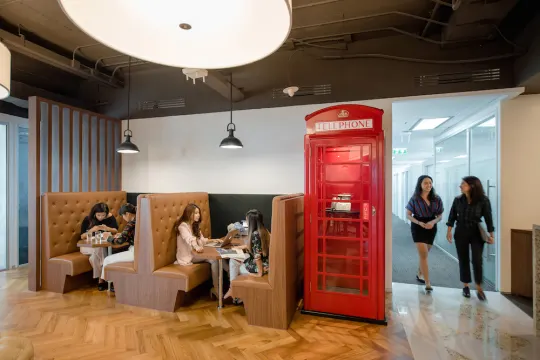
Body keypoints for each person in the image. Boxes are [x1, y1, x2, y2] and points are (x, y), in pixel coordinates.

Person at [446, 176, 495, 301]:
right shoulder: (458, 200)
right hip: (461, 230)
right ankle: (466, 286)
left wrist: (491, 234)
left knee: (477, 260)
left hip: (476, 232)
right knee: (463, 259)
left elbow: (488, 217)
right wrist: (449, 231)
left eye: (463, 184)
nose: (460, 186)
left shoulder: (483, 200)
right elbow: (452, 216)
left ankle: (479, 287)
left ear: (472, 186)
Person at [174, 204, 229, 299]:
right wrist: (196, 247)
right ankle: (224, 281)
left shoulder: (195, 225)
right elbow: (189, 239)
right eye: (195, 213)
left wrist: (214, 240)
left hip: (196, 254)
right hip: (188, 255)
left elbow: (202, 240)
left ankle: (220, 284)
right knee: (215, 259)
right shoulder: (182, 226)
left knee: (217, 257)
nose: (198, 215)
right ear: (188, 213)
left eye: (198, 212)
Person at [405, 175, 444, 293]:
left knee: (425, 253)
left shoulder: (436, 198)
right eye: (426, 183)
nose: (428, 185)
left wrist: (433, 222)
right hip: (418, 226)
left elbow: (440, 216)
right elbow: (408, 215)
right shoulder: (415, 199)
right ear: (420, 185)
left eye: (430, 183)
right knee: (424, 255)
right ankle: (427, 282)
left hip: (431, 227)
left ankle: (420, 272)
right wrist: (419, 223)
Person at [224, 209, 270, 301]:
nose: (246, 223)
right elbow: (256, 247)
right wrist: (240, 247)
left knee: (235, 263)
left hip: (261, 267)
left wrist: (259, 273)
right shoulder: (264, 231)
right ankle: (235, 292)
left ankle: (234, 291)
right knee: (235, 260)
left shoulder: (255, 235)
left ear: (251, 222)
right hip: (267, 263)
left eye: (247, 221)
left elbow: (257, 257)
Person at [80, 202, 119, 291]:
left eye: (103, 215)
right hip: (87, 246)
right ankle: (106, 278)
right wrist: (92, 230)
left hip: (101, 246)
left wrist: (107, 228)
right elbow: (82, 236)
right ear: (94, 214)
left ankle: (100, 281)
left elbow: (115, 230)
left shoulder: (110, 218)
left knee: (93, 258)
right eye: (98, 215)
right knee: (99, 249)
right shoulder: (87, 219)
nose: (101, 217)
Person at [100, 204, 137, 292]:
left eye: (123, 216)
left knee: (107, 260)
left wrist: (108, 238)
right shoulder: (141, 220)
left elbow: (119, 241)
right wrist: (121, 235)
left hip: (135, 253)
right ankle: (109, 282)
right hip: (141, 252)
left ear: (127, 214)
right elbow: (129, 236)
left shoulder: (131, 223)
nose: (123, 218)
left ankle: (107, 284)